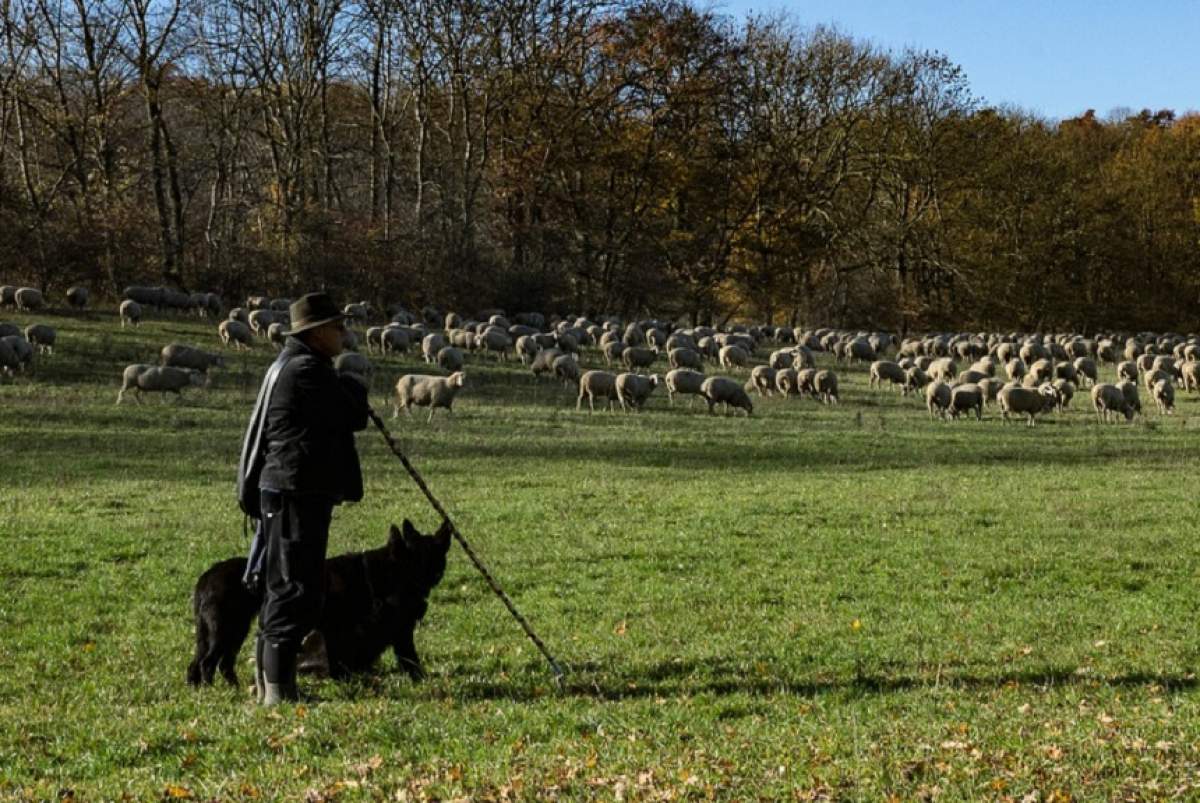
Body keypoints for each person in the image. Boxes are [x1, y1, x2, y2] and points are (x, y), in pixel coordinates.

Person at [236, 292, 369, 705]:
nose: (343, 334)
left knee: (286, 585)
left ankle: (270, 684)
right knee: (294, 588)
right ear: (316, 333)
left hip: (290, 489)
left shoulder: (293, 366)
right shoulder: (307, 371)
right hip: (297, 490)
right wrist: (352, 381)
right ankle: (278, 690)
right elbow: (353, 415)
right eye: (337, 327)